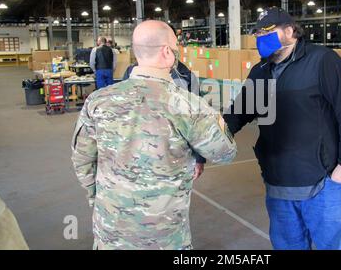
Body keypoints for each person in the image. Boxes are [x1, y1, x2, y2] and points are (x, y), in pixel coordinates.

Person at [71, 20, 236, 250]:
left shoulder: (97, 101)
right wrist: (214, 118)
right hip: (165, 237)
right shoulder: (187, 105)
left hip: (111, 230)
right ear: (167, 52)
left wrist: (98, 198)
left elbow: (82, 160)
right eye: (175, 46)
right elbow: (225, 153)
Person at [223, 7, 341, 250]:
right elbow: (239, 113)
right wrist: (204, 145)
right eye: (258, 33)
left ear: (290, 31)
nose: (261, 38)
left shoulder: (321, 61)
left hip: (323, 184)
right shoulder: (261, 71)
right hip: (278, 183)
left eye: (268, 32)